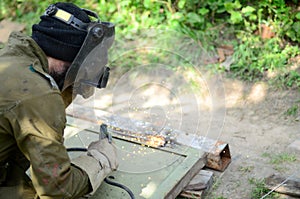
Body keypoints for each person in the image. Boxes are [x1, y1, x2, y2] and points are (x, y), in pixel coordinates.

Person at [0, 2, 118, 199]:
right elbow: (57, 191)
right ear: (74, 57)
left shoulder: (11, 58)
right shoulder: (38, 95)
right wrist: (98, 161)